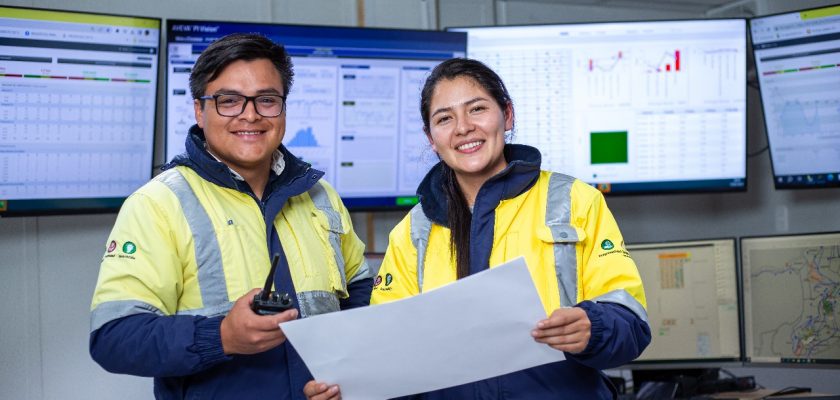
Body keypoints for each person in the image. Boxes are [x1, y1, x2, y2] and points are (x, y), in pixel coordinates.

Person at [304, 58, 650, 400]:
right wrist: (347, 388)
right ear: (431, 137)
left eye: (477, 109)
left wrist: (594, 327)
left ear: (507, 114)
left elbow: (630, 320)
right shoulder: (413, 231)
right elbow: (388, 354)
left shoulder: (574, 201)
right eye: (444, 118)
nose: (463, 127)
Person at [89, 33, 373, 399]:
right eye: (229, 101)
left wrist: (346, 375)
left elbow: (359, 295)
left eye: (266, 100)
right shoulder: (158, 203)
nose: (250, 115)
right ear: (198, 110)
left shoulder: (319, 195)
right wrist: (222, 336)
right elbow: (114, 337)